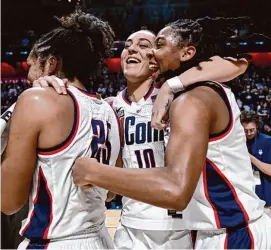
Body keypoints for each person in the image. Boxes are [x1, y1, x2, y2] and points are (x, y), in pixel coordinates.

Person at [33, 28, 249, 249]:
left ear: (155, 57)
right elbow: (109, 190)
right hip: (130, 225)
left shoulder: (180, 95)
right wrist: (48, 83)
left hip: (179, 226)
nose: (132, 48)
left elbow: (237, 64)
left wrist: (170, 85)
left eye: (144, 45)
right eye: (127, 46)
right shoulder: (109, 107)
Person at [1, 10, 120, 249]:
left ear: (52, 64)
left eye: (32, 66)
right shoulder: (110, 111)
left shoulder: (36, 100)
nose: (28, 76)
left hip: (55, 241)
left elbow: (7, 201)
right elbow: (109, 194)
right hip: (100, 238)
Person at [241, 111, 271, 216]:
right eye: (245, 131)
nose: (249, 133)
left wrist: (251, 158)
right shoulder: (237, 142)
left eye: (251, 130)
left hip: (266, 200)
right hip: (245, 201)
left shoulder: (267, 141)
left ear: (257, 126)